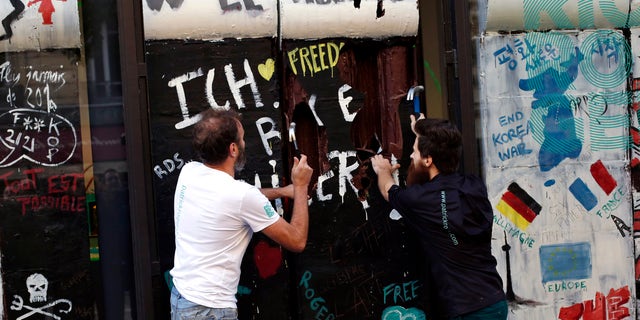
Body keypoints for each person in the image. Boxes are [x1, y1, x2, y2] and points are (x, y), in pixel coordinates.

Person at [170, 108, 313, 320]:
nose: (245, 142)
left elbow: (235, 199)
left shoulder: (189, 172)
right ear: (233, 149)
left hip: (182, 299)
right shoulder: (240, 196)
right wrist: (301, 187)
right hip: (210, 310)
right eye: (243, 138)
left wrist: (282, 192)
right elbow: (297, 241)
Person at [370, 114, 507, 320]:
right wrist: (423, 134)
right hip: (494, 300)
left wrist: (382, 170)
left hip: (466, 310)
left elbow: (388, 189)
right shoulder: (474, 185)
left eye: (414, 151)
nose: (411, 156)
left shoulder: (422, 200)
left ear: (428, 159)